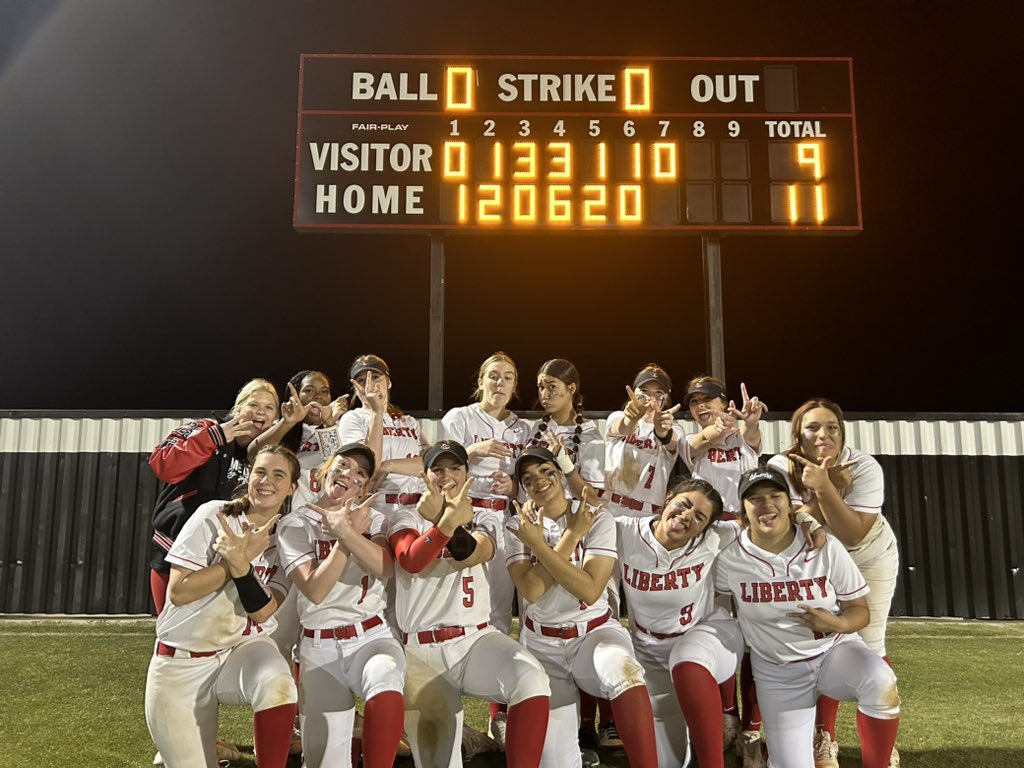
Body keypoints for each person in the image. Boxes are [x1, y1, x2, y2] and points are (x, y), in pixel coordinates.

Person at [714, 466, 900, 768]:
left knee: (880, 681)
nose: (766, 505)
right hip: (778, 673)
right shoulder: (730, 558)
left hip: (832, 653)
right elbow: (718, 607)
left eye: (775, 496)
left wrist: (837, 623)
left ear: (790, 504)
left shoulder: (824, 547)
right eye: (755, 499)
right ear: (743, 510)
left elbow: (861, 611)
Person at [390, 440, 551, 768]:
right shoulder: (404, 515)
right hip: (423, 652)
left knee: (532, 679)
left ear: (467, 474)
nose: (446, 475)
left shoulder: (486, 517)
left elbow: (472, 554)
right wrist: (442, 520)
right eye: (437, 469)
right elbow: (411, 560)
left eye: (455, 468)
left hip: (475, 640)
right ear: (425, 475)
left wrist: (443, 518)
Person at [144, 445, 301, 768]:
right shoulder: (215, 514)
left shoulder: (285, 542)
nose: (266, 481)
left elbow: (263, 611)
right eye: (260, 471)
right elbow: (179, 591)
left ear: (292, 487)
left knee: (278, 683)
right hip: (180, 662)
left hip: (237, 652)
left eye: (278, 475)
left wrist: (239, 562)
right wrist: (232, 564)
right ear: (249, 475)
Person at [767, 399, 901, 768]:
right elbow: (787, 526)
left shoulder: (863, 465)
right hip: (816, 557)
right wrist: (827, 490)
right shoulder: (780, 466)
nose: (823, 434)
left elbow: (853, 534)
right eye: (812, 427)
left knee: (870, 645)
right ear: (797, 434)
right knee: (823, 639)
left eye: (832, 427)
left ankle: (880, 739)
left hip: (868, 554)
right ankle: (825, 737)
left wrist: (825, 490)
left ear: (843, 433)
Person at [507, 446, 659, 768]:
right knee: (556, 763)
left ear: (560, 474)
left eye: (546, 471)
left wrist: (542, 546)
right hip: (541, 644)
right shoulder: (517, 526)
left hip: (593, 633)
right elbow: (532, 590)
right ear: (523, 487)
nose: (539, 481)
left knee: (624, 673)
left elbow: (590, 589)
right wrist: (572, 535)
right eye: (529, 478)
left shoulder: (596, 515)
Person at [276, 442, 405, 768]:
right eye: (343, 465)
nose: (349, 474)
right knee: (324, 761)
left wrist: (347, 531)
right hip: (319, 646)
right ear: (325, 470)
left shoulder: (374, 518)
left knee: (386, 681)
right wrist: (346, 537)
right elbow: (315, 589)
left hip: (371, 638)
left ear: (365, 487)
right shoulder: (294, 523)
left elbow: (385, 567)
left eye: (361, 473)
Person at [615, 478, 748, 768]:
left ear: (706, 527)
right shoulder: (624, 530)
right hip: (647, 650)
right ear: (668, 497)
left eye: (699, 517)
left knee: (688, 662)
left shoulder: (715, 537)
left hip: (702, 639)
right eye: (683, 504)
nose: (687, 516)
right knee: (668, 761)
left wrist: (803, 517)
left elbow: (762, 519)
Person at [440, 352, 532, 747]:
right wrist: (472, 453)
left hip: (504, 522)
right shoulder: (458, 417)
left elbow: (530, 480)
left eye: (508, 377)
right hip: (463, 520)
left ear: (515, 386)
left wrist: (515, 487)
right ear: (480, 380)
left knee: (498, 615)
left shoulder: (523, 428)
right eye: (493, 376)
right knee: (454, 613)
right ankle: (448, 715)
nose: (500, 383)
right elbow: (440, 464)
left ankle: (499, 714)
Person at [680, 375, 766, 760]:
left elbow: (754, 440)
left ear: (724, 400)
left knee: (756, 628)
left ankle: (753, 726)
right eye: (695, 401)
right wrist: (717, 426)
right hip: (710, 534)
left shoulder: (743, 434)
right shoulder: (692, 441)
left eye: (709, 399)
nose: (701, 405)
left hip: (746, 533)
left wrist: (748, 425)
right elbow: (695, 444)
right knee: (714, 625)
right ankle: (727, 713)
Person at [149, 378, 280, 614]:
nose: (260, 411)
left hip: (223, 559)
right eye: (253, 404)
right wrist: (213, 438)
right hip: (178, 554)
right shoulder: (207, 428)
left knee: (216, 640)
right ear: (238, 408)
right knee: (172, 636)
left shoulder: (265, 458)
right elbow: (161, 464)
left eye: (269, 407)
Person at [604, 364, 683, 519]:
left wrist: (662, 430)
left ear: (666, 399)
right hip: (612, 507)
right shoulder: (617, 416)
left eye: (658, 394)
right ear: (633, 394)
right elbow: (623, 428)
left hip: (648, 514)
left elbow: (670, 441)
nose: (650, 400)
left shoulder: (675, 428)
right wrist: (631, 419)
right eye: (644, 392)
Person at [529, 358, 604, 501]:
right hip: (535, 513)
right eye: (541, 387)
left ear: (571, 388)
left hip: (568, 515)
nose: (544, 395)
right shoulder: (537, 428)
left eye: (552, 387)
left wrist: (565, 464)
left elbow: (591, 498)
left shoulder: (589, 433)